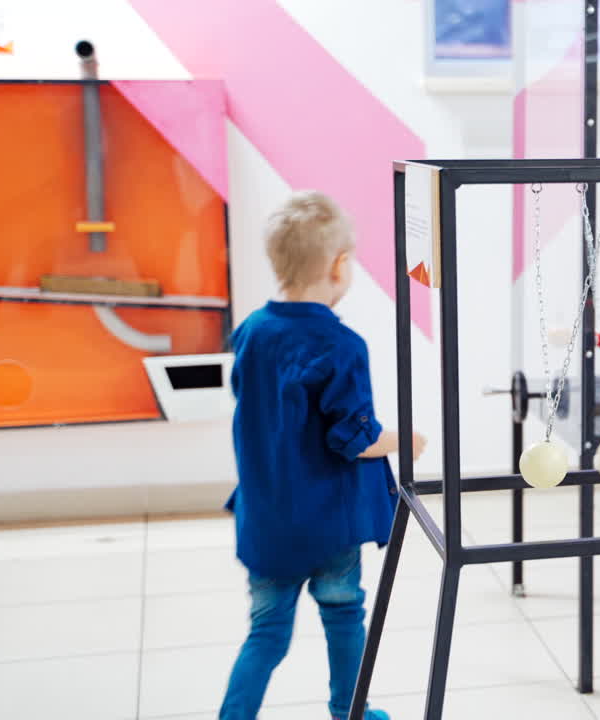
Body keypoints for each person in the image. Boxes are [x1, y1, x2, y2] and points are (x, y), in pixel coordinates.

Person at [220, 191, 425, 720]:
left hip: (267, 520)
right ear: (339, 265)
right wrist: (405, 440)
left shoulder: (250, 333)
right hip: (328, 522)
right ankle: (348, 710)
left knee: (266, 633)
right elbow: (354, 438)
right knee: (342, 613)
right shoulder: (342, 345)